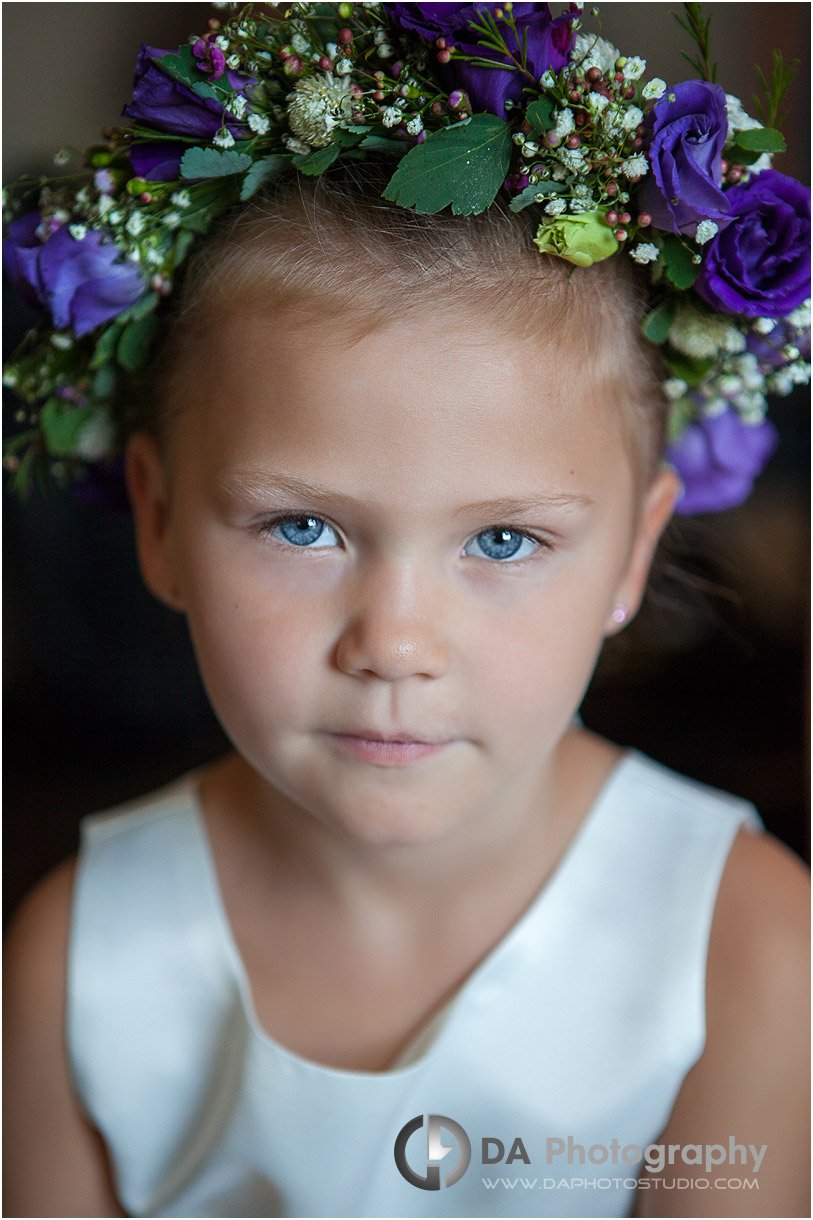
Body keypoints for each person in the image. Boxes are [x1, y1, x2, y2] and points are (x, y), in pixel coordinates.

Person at [3, 4, 809, 1217]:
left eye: (502, 538)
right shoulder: (80, 955)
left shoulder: (742, 948)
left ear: (635, 552)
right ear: (160, 522)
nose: (391, 641)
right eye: (303, 527)